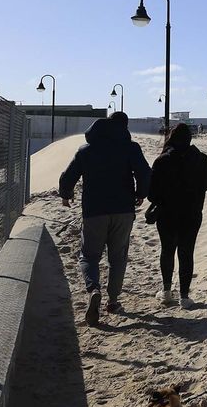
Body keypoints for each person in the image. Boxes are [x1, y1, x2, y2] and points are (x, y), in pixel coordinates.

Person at [59, 111, 151, 326]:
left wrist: (65, 195)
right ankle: (113, 301)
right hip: (123, 210)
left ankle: (94, 289)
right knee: (118, 257)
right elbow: (145, 173)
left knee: (89, 256)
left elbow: (67, 176)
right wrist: (141, 194)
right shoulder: (131, 148)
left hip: (94, 211)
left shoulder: (86, 150)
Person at [148, 122, 207, 306]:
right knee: (187, 252)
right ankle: (184, 296)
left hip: (167, 214)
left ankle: (167, 291)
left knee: (167, 251)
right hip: (192, 213)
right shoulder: (202, 159)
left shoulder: (162, 161)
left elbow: (152, 193)